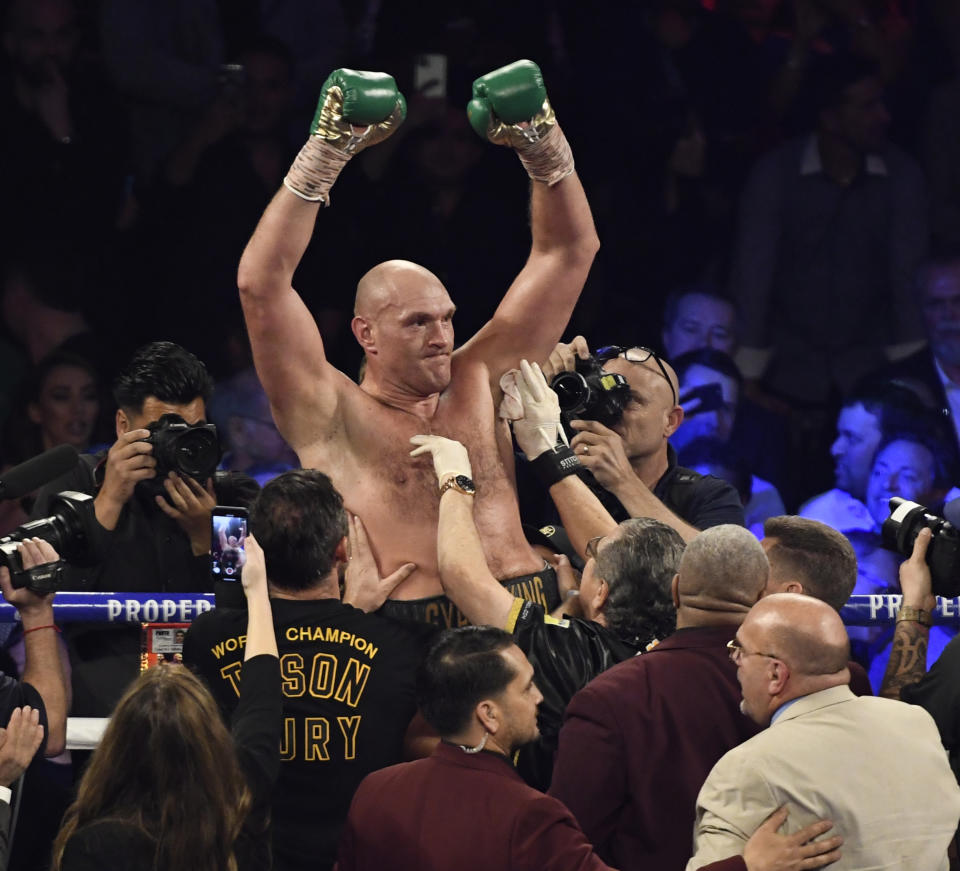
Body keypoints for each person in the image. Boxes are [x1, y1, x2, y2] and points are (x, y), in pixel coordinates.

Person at [237, 60, 599, 627]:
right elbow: (261, 286)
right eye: (417, 323)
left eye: (447, 319)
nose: (441, 338)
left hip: (529, 612)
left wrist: (542, 142)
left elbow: (569, 253)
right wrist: (325, 154)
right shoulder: (330, 412)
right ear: (365, 334)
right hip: (414, 631)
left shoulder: (477, 376)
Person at [335, 626, 839, 871]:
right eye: (527, 687)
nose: (539, 699)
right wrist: (746, 865)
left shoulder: (374, 792)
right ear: (487, 715)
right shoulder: (529, 816)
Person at [184, 469, 432, 871]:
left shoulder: (207, 639)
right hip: (357, 858)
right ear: (341, 552)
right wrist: (352, 615)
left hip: (242, 858)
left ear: (254, 551)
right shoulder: (403, 645)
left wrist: (349, 613)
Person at [412, 423, 681, 789]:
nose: (586, 556)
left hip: (554, 820)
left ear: (601, 593)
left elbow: (463, 578)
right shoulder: (683, 648)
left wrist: (456, 481)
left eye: (592, 556)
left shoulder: (566, 648)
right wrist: (572, 600)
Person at [30, 341, 259, 718]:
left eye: (193, 431)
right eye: (162, 430)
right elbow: (52, 594)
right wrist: (109, 501)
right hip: (104, 718)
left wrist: (208, 535)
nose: (177, 444)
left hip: (207, 716)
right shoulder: (74, 483)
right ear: (123, 425)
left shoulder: (231, 496)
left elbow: (246, 612)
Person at [51, 533, 280, 871]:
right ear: (211, 738)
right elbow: (262, 699)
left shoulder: (92, 847)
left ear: (118, 747)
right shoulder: (238, 816)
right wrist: (258, 594)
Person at [548, 524, 768, 871]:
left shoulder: (609, 699)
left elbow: (564, 848)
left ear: (676, 590)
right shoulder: (803, 682)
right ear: (760, 599)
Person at [687, 593, 960, 870]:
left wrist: (748, 867)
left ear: (775, 675)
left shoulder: (747, 768)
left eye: (741, 651)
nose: (735, 661)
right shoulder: (916, 723)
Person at [730, 54, 927, 406]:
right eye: (869, 106)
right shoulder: (776, 175)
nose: (884, 117)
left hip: (872, 364)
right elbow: (753, 278)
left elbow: (907, 280)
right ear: (830, 116)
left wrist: (915, 376)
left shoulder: (901, 176)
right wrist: (749, 375)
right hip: (787, 365)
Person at [539, 338, 745, 541]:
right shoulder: (549, 476)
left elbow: (715, 569)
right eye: (604, 396)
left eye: (629, 399)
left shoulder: (711, 496)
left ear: (671, 422)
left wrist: (623, 483)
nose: (613, 410)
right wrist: (534, 372)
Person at [799, 385, 929, 532]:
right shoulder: (822, 520)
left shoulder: (949, 513)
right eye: (839, 435)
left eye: (852, 438)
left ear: (891, 444)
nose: (835, 449)